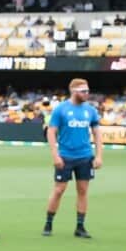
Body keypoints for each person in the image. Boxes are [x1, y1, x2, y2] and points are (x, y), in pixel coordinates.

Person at [44, 78, 103, 238]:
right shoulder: (61, 109)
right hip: (65, 156)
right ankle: (48, 223)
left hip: (85, 156)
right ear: (74, 91)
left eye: (87, 91)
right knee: (59, 190)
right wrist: (55, 155)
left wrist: (98, 156)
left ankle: (80, 226)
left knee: (83, 191)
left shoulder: (90, 110)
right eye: (83, 91)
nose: (87, 94)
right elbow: (51, 131)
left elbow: (97, 133)